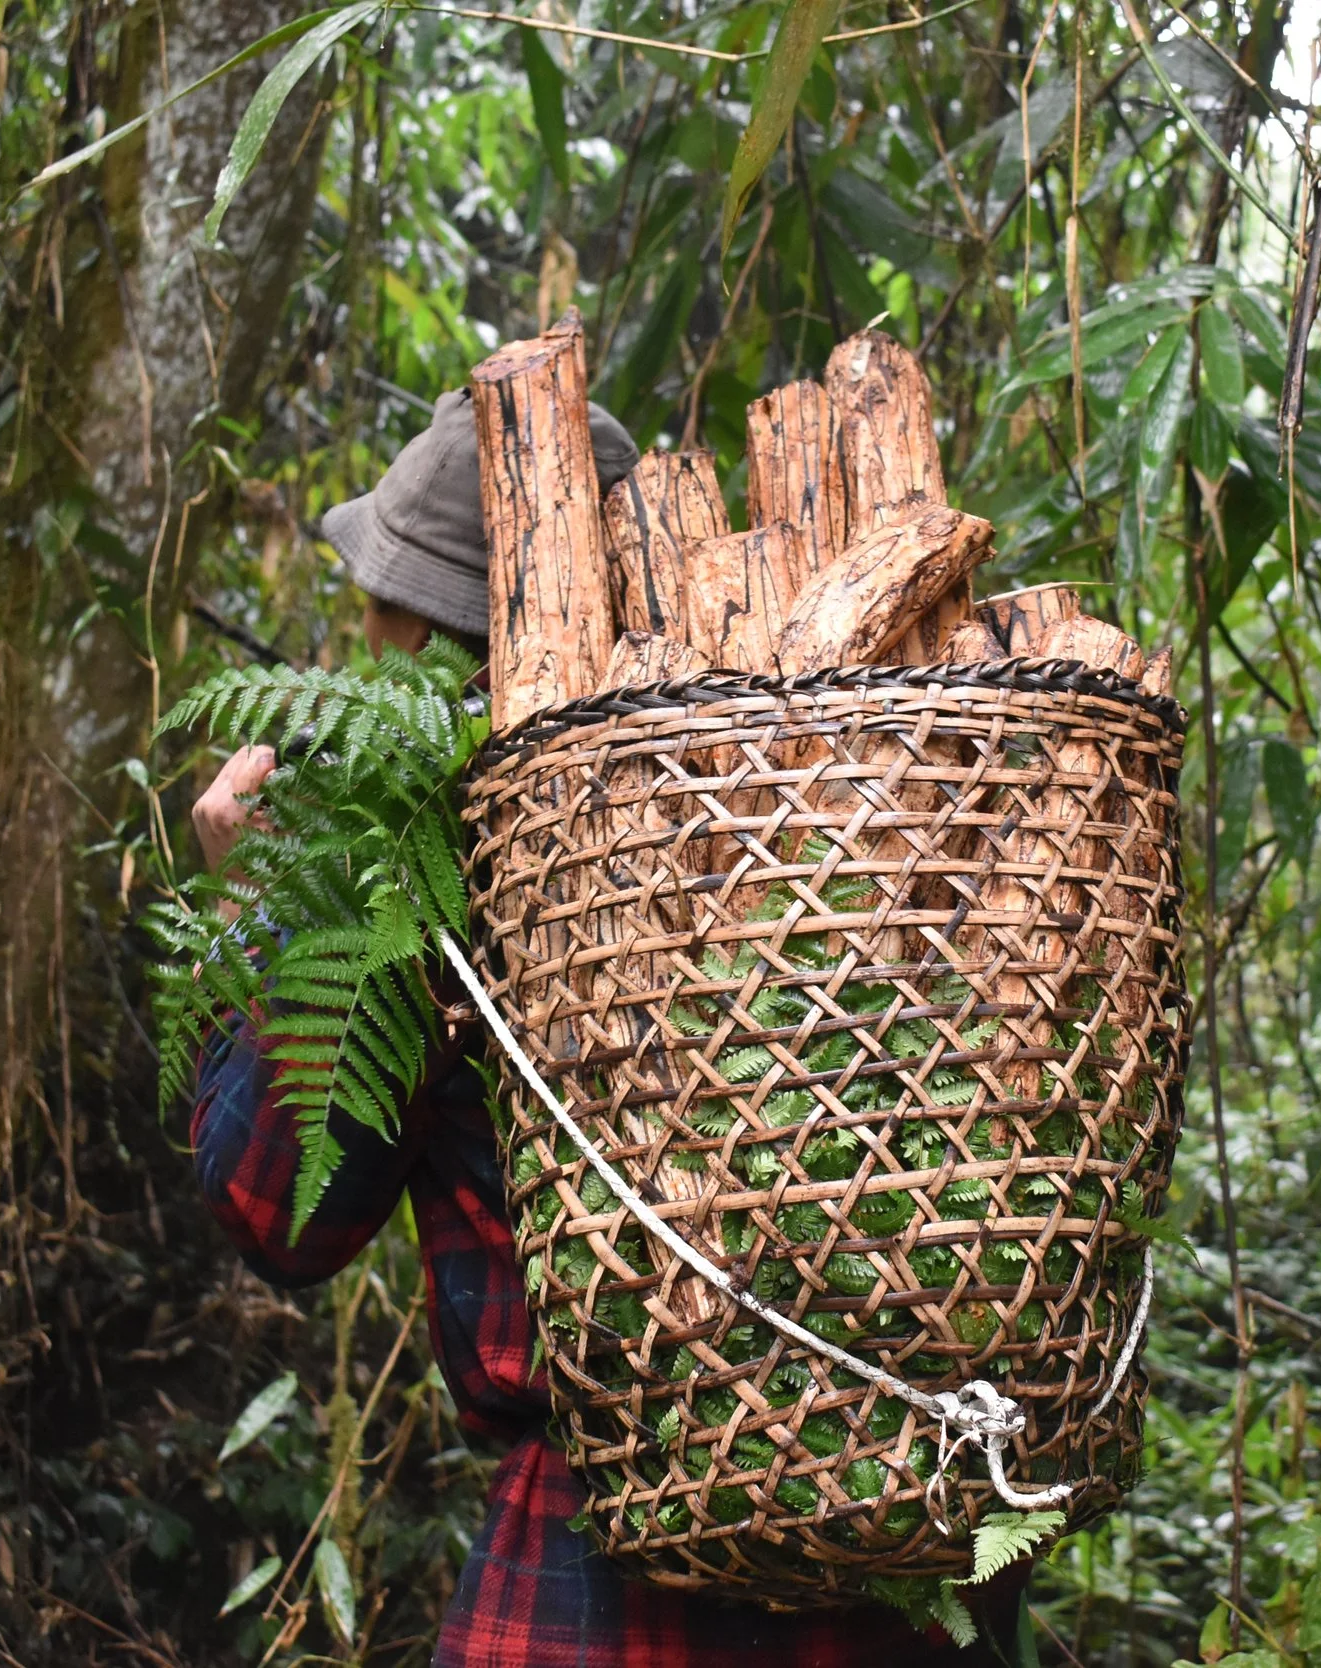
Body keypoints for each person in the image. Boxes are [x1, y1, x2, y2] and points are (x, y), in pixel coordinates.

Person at [185, 387, 1025, 1665]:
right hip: (918, 1532)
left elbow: (273, 1208)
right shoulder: (824, 793)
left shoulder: (427, 854)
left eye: (383, 600)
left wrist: (264, 914)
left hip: (606, 1559)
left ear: (441, 633)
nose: (361, 630)